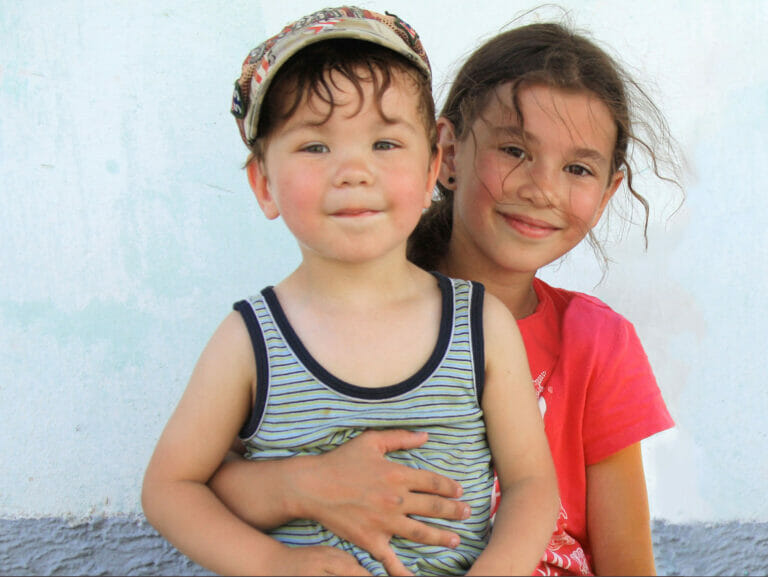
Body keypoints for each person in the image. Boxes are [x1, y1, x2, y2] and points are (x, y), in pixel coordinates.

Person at [208, 16, 681, 577]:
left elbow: (629, 565)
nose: (542, 187)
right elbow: (208, 480)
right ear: (448, 153)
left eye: (578, 168)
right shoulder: (345, 311)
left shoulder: (597, 342)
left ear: (606, 194)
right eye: (513, 149)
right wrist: (302, 486)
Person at [141, 6, 558, 576]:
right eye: (316, 147)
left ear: (434, 161)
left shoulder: (479, 324)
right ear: (264, 184)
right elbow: (170, 487)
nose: (353, 170)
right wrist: (271, 564)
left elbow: (532, 484)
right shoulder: (250, 338)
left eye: (385, 144)